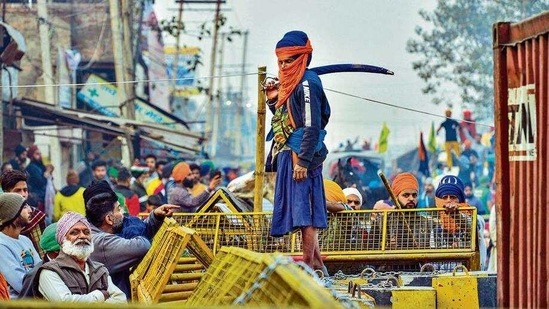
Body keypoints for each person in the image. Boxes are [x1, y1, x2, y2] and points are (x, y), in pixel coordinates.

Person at [264, 31, 331, 273]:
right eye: (280, 61)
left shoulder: (307, 83)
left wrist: (302, 161)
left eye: (289, 60)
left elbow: (311, 125)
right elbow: (286, 120)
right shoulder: (290, 83)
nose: (283, 66)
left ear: (302, 58)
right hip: (287, 152)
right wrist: (273, 100)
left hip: (301, 155)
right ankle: (317, 263)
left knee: (305, 211)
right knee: (298, 208)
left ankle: (308, 264)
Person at [84, 180, 179, 299]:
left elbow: (139, 234)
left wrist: (155, 215)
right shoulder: (101, 242)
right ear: (109, 219)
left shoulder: (98, 228)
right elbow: (142, 245)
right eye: (119, 209)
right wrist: (131, 225)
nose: (123, 214)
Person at [33, 212, 126, 303]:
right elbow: (65, 303)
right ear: (62, 240)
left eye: (86, 232)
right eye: (74, 232)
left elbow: (121, 300)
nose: (82, 236)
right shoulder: (50, 271)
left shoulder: (99, 270)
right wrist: (100, 295)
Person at [434, 175, 486, 270]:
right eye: (445, 197)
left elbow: (470, 228)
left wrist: (455, 214)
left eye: (453, 197)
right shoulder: (436, 226)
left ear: (460, 199)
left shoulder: (476, 219)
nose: (449, 201)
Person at [371, 173, 432, 250]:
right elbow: (371, 250)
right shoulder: (382, 222)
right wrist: (387, 248)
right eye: (406, 195)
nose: (411, 199)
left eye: (414, 195)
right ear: (395, 197)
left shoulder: (426, 223)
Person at [0, 193, 42, 299]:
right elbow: (20, 284)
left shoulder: (25, 240)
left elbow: (40, 269)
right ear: (12, 214)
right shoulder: (1, 244)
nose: (30, 210)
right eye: (24, 207)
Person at [1, 170, 46, 257]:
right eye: (18, 191)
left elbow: (43, 251)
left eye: (25, 190)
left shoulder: (36, 216)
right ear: (6, 193)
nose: (23, 194)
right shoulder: (2, 218)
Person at [25, 145, 51, 212]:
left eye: (40, 153)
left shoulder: (39, 166)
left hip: (41, 198)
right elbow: (40, 182)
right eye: (37, 154)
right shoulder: (33, 167)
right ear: (31, 156)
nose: (40, 155)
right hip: (38, 199)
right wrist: (46, 174)